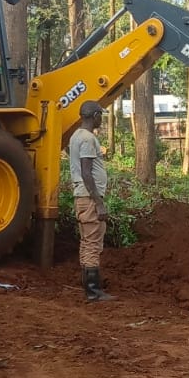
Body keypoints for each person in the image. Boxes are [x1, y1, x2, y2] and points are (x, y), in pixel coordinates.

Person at [70, 101, 116, 302]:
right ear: (95, 115)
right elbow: (86, 173)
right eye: (101, 115)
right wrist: (99, 202)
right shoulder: (88, 138)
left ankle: (88, 286)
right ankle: (93, 291)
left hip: (82, 197)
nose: (101, 119)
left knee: (86, 241)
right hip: (89, 198)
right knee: (92, 243)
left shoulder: (76, 136)